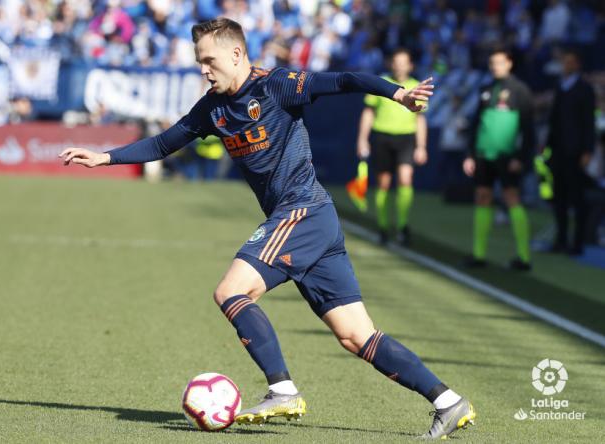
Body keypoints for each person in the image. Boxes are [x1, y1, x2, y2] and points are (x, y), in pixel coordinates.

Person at [59, 18, 475, 439]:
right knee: (356, 337)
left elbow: (345, 79)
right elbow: (165, 143)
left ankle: (282, 389)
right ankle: (448, 401)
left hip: (303, 211)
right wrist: (105, 158)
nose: (203, 69)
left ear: (237, 54)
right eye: (199, 62)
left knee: (230, 291)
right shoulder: (213, 108)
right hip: (313, 223)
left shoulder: (276, 86)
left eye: (209, 61)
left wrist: (397, 93)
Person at [463, 49, 535, 270]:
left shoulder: (520, 90)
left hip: (508, 155)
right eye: (492, 62)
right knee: (482, 197)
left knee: (512, 198)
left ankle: (523, 258)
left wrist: (521, 157)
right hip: (484, 154)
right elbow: (476, 123)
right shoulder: (486, 89)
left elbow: (529, 129)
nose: (495, 66)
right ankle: (479, 255)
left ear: (509, 64)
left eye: (500, 62)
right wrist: (470, 154)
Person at [354, 48, 428, 245]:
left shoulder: (416, 86)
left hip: (406, 138)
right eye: (397, 61)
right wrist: (362, 139)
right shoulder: (381, 83)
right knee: (384, 183)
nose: (400, 65)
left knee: (405, 179)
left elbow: (420, 118)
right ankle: (383, 227)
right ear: (391, 64)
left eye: (404, 62)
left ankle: (403, 226)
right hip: (382, 136)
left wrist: (421, 146)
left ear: (410, 65)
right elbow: (368, 113)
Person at [547, 50, 596, 256]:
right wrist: (548, 144)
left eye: (570, 62)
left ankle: (577, 243)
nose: (566, 65)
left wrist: (587, 150)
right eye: (564, 62)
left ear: (577, 64)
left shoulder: (584, 89)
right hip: (558, 150)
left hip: (575, 151)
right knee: (559, 197)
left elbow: (588, 122)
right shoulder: (560, 86)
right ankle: (561, 239)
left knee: (577, 198)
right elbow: (554, 119)